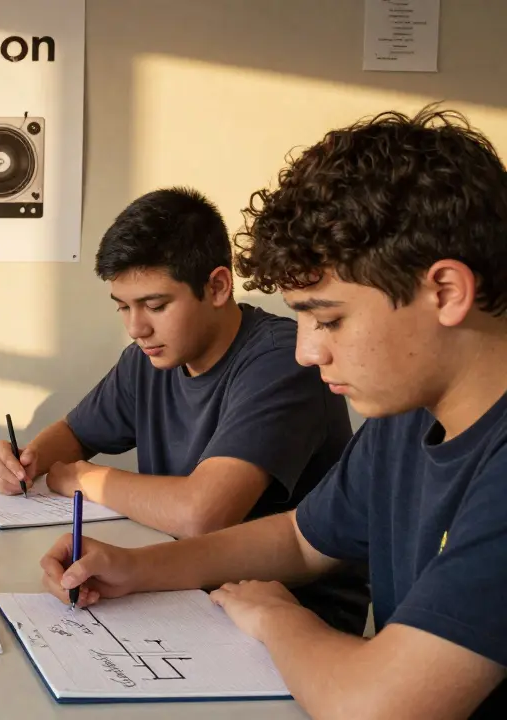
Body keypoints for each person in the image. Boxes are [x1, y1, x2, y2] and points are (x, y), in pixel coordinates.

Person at [41, 107, 507, 717]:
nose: (308, 350)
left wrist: (279, 617)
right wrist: (134, 567)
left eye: (329, 318)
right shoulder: (407, 415)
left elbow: (380, 708)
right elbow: (299, 537)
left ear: (445, 292)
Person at [0, 186, 368, 633]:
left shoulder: (282, 361)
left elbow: (202, 514)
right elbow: (75, 432)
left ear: (218, 286)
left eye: (156, 305)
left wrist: (81, 478)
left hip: (292, 614)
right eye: (123, 307)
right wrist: (23, 461)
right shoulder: (150, 358)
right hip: (187, 589)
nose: (136, 327)